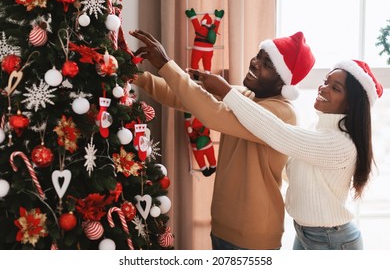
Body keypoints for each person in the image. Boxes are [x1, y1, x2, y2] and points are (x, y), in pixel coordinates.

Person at [129, 30, 315, 249]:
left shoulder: (283, 113)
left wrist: (167, 64)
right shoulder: (245, 97)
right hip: (222, 228)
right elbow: (183, 97)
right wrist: (136, 76)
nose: (255, 63)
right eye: (258, 56)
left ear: (283, 82)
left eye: (267, 64)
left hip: (254, 237)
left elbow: (214, 114)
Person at [192, 59, 383, 250]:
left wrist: (227, 93)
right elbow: (291, 165)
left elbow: (279, 132)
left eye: (335, 88)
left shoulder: (339, 144)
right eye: (325, 81)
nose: (323, 88)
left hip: (331, 241)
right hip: (305, 233)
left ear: (350, 104)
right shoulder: (317, 130)